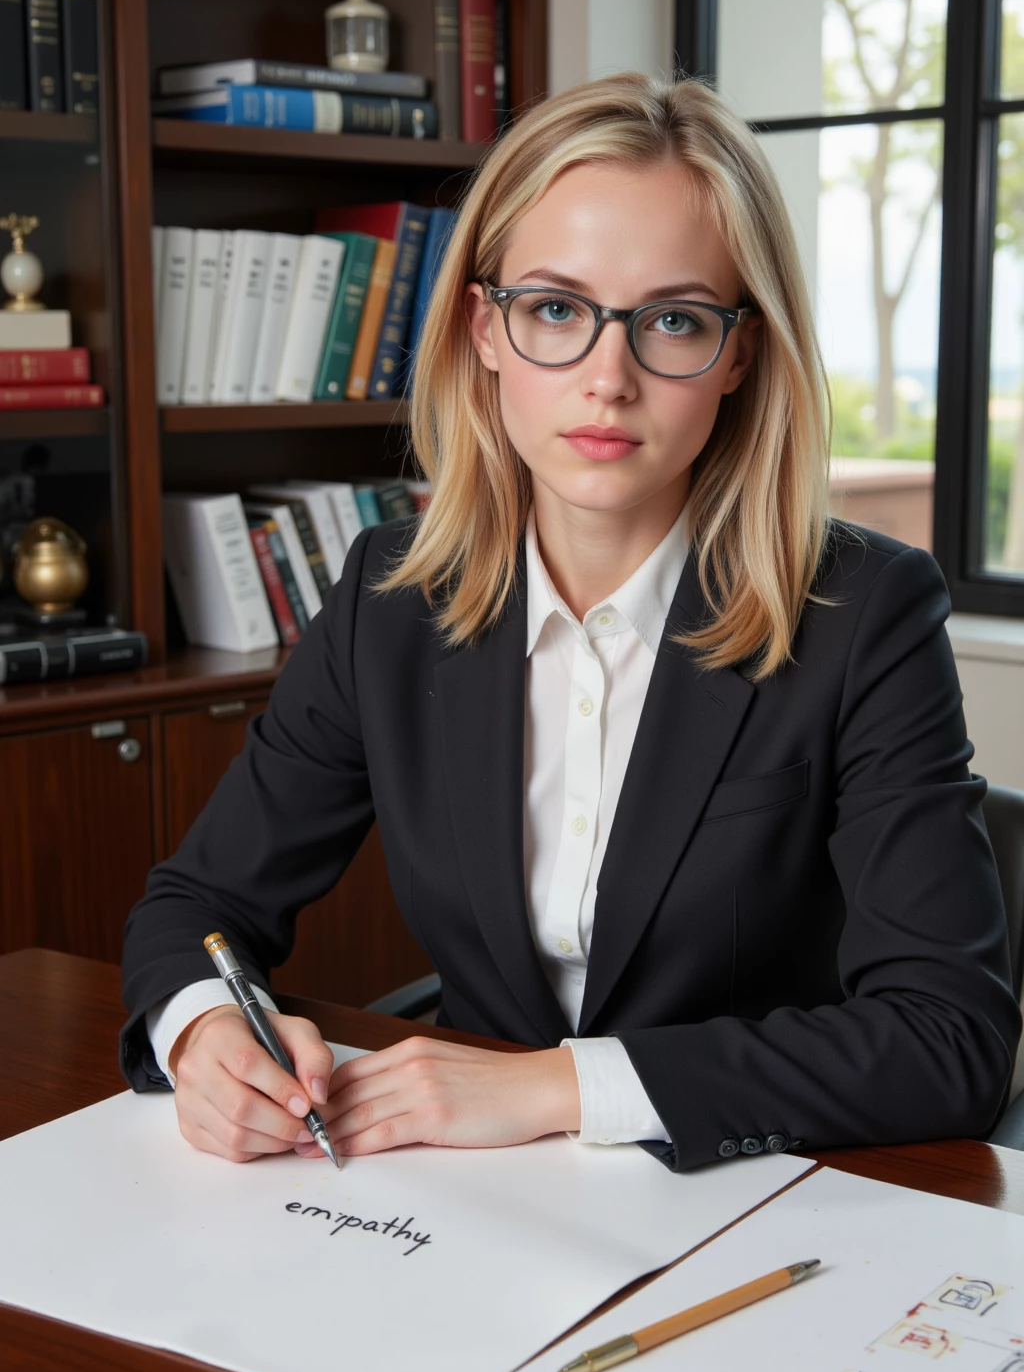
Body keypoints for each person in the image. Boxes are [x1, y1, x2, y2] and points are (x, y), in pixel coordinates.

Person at [120, 72, 1021, 1173]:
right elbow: (200, 903)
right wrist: (204, 1029)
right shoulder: (387, 597)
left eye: (675, 321)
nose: (608, 378)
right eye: (555, 309)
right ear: (483, 329)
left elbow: (950, 1040)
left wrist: (553, 1085)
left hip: (763, 1199)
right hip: (467, 1209)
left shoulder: (863, 612)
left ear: (740, 354)